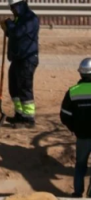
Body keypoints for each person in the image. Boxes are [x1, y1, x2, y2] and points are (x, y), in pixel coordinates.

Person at [0, 0, 39, 127]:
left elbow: (18, 33)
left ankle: (29, 119)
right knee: (14, 88)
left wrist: (9, 25)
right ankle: (20, 115)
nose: (12, 10)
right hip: (17, 58)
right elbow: (14, 36)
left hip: (27, 58)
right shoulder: (19, 18)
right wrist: (7, 30)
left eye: (13, 7)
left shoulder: (30, 18)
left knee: (24, 88)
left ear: (20, 4)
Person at [60, 58, 91, 198]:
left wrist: (74, 128)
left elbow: (64, 115)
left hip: (82, 136)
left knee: (80, 165)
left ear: (81, 74)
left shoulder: (73, 91)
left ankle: (78, 193)